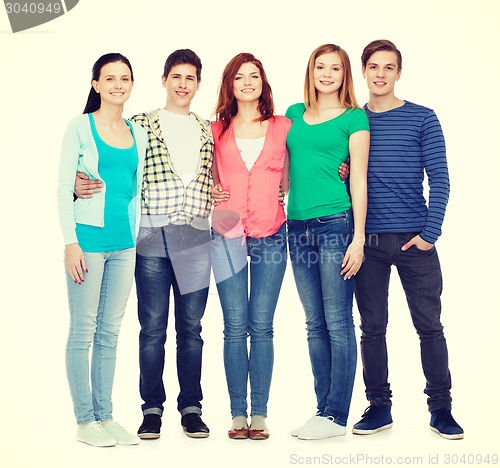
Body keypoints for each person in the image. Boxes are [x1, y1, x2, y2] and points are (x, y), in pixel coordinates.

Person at [75, 49, 213, 439]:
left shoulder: (208, 129)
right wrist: (75, 184)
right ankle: (151, 408)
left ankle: (191, 407)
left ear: (198, 84)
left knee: (191, 328)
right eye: (176, 76)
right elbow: (108, 166)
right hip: (151, 237)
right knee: (152, 328)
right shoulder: (140, 125)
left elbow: (219, 174)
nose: (183, 84)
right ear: (164, 80)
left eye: (190, 78)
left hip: (196, 238)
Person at [351, 39, 463, 440]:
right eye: (373, 67)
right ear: (363, 71)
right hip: (369, 242)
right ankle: (379, 406)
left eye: (388, 67)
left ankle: (441, 409)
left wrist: (430, 235)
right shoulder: (353, 121)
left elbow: (442, 180)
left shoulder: (423, 118)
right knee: (372, 327)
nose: (380, 74)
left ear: (399, 73)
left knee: (429, 327)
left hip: (416, 242)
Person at [57, 53, 147, 447]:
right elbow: (64, 187)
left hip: (125, 243)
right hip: (88, 242)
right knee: (83, 330)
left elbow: (135, 189)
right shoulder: (79, 126)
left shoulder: (135, 131)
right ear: (95, 84)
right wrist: (70, 242)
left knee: (110, 332)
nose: (117, 85)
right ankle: (84, 420)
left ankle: (106, 416)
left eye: (124, 78)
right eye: (109, 78)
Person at [285, 43, 370, 440]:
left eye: (334, 68)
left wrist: (358, 239)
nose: (326, 74)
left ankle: (336, 415)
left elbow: (358, 178)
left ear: (344, 74)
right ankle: (322, 411)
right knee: (313, 323)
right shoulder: (293, 115)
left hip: (335, 223)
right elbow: (281, 170)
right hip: (296, 226)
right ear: (311, 71)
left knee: (337, 321)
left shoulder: (355, 119)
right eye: (320, 67)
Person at [210, 53, 291, 440]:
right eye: (239, 76)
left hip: (272, 231)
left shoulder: (283, 126)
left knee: (262, 326)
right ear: (230, 84)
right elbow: (198, 175)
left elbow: (300, 170)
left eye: (253, 75)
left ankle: (259, 414)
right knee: (233, 327)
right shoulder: (215, 130)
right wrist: (209, 190)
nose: (247, 81)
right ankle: (236, 414)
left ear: (263, 82)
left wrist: (341, 170)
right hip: (225, 231)